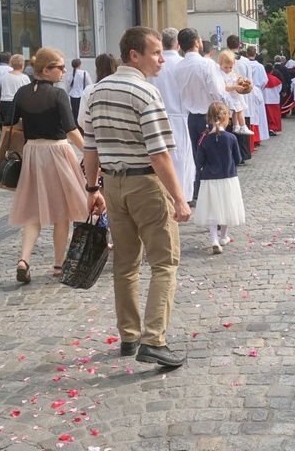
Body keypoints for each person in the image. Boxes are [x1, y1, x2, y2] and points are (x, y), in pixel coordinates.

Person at [84, 26, 191, 368]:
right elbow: (159, 154)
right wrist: (179, 197)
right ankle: (153, 339)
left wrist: (93, 188)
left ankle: (129, 335)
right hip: (145, 184)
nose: (162, 58)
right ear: (135, 55)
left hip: (113, 186)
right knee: (164, 262)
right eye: (156, 52)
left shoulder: (97, 91)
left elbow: (90, 146)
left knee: (125, 265)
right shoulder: (146, 93)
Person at [7, 48, 87, 283]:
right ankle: (58, 265)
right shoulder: (58, 95)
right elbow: (71, 129)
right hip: (57, 151)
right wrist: (90, 153)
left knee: (33, 211)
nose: (64, 71)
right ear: (45, 70)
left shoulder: (22, 92)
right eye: (60, 68)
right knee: (62, 211)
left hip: (32, 152)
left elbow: (9, 121)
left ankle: (24, 259)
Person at [175, 28, 228, 200]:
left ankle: (198, 192)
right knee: (214, 158)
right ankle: (211, 196)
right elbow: (218, 91)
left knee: (198, 157)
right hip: (210, 114)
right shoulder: (207, 64)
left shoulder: (179, 66)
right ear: (197, 42)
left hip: (191, 116)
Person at [146, 28, 194, 203]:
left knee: (160, 157)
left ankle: (164, 195)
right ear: (178, 44)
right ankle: (182, 196)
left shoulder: (152, 64)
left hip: (156, 116)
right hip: (180, 115)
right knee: (181, 160)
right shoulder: (182, 63)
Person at [192, 102, 245, 254]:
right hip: (228, 176)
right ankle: (224, 236)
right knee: (226, 206)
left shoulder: (204, 139)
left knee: (212, 208)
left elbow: (199, 161)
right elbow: (238, 159)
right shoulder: (231, 138)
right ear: (226, 117)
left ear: (208, 118)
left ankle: (214, 237)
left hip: (209, 177)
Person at [218, 49, 254, 136]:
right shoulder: (220, 74)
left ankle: (237, 126)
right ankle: (242, 126)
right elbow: (225, 87)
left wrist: (241, 81)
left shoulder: (231, 72)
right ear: (220, 64)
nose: (228, 69)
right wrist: (236, 87)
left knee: (238, 110)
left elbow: (237, 78)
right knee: (238, 110)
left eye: (230, 67)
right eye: (226, 67)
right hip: (228, 95)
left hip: (234, 94)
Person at [0, 54, 30, 127]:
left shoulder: (4, 76)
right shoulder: (24, 78)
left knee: (7, 127)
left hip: (5, 103)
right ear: (22, 65)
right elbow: (28, 93)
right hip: (19, 103)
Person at [65, 58, 92, 128]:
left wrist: (69, 93)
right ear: (80, 65)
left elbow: (68, 87)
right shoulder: (85, 73)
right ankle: (82, 127)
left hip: (73, 95)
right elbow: (90, 84)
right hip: (82, 94)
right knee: (83, 112)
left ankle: (76, 127)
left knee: (75, 112)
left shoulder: (69, 75)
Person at [263, 63, 283, 135]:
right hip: (274, 99)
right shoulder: (276, 79)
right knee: (274, 116)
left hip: (264, 99)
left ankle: (266, 128)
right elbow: (279, 89)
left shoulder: (263, 79)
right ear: (272, 71)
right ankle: (273, 128)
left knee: (266, 115)